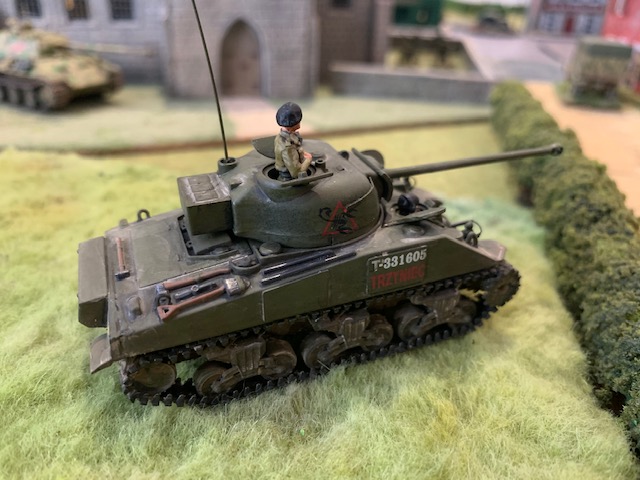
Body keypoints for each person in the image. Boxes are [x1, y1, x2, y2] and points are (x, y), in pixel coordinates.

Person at [274, 102, 312, 180]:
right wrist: (309, 159)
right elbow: (296, 173)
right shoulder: (288, 146)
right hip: (289, 180)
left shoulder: (281, 137)